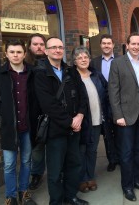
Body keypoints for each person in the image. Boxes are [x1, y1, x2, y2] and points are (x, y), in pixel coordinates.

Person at [34, 37, 89, 205]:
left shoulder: (71, 71)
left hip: (74, 128)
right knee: (56, 171)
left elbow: (82, 95)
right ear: (46, 51)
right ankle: (56, 201)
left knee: (74, 165)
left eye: (60, 47)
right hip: (55, 130)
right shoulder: (40, 73)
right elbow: (48, 104)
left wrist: (79, 115)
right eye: (53, 47)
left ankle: (70, 196)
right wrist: (69, 121)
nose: (57, 50)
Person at [0, 40, 37, 205]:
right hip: (10, 128)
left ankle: (24, 192)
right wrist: (5, 112)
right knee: (9, 164)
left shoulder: (32, 72)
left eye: (19, 52)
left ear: (24, 54)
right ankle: (11, 196)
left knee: (26, 161)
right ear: (6, 54)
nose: (15, 55)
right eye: (12, 52)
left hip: (27, 127)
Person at [108, 33, 139, 202]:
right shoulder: (118, 63)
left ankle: (136, 180)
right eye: (133, 44)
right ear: (127, 45)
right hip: (125, 115)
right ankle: (127, 186)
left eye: (138, 44)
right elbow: (113, 92)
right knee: (126, 152)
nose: (136, 46)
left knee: (138, 150)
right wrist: (118, 115)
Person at [73, 47, 111, 193]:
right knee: (81, 151)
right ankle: (82, 179)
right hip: (82, 122)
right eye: (80, 57)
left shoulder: (96, 74)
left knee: (92, 150)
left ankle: (90, 176)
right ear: (75, 61)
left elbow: (107, 92)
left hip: (97, 119)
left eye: (86, 57)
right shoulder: (72, 76)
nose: (83, 60)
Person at [90, 34, 119, 172]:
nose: (107, 45)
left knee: (120, 132)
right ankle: (112, 159)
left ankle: (122, 157)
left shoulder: (121, 60)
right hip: (102, 102)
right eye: (104, 43)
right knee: (107, 132)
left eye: (109, 43)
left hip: (118, 101)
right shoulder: (94, 63)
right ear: (100, 45)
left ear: (113, 45)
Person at [25, 33, 47, 191]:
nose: (39, 47)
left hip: (51, 113)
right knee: (37, 149)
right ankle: (37, 174)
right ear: (29, 46)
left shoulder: (51, 63)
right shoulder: (25, 67)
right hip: (33, 115)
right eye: (35, 44)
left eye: (41, 44)